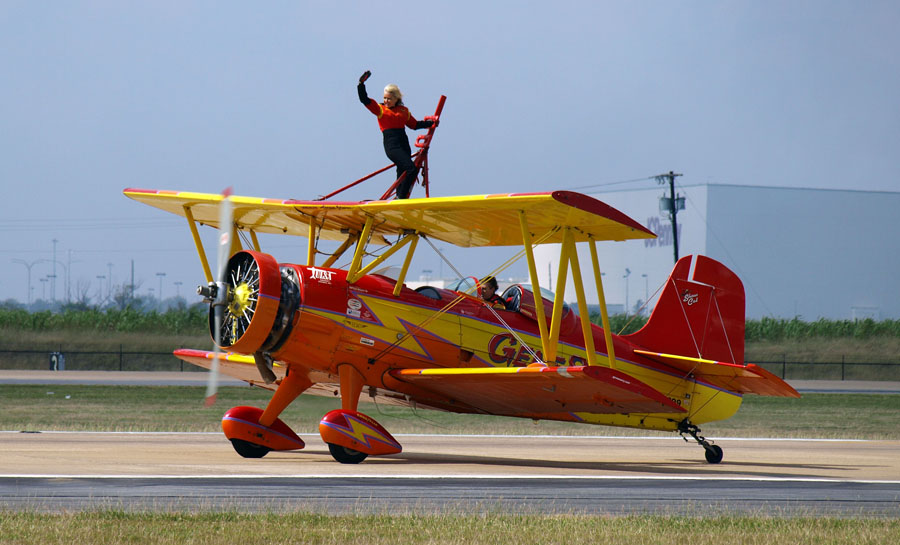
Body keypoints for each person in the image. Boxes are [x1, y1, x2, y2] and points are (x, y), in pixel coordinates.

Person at [357, 70, 435, 199]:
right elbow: (364, 99)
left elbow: (414, 125)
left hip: (403, 143)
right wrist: (361, 84)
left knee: (403, 171)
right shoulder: (380, 109)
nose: (386, 101)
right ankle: (401, 198)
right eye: (385, 98)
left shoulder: (403, 111)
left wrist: (429, 123)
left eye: (389, 98)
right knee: (411, 169)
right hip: (392, 145)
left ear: (396, 99)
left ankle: (399, 196)